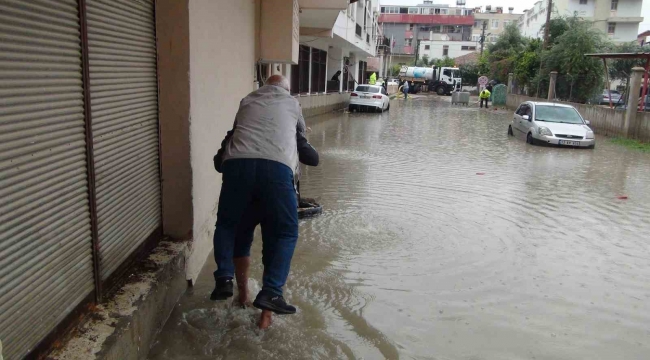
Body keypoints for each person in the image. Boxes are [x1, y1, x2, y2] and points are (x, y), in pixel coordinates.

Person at [211, 75, 319, 329]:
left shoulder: (247, 103)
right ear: (286, 91)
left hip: (238, 174)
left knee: (230, 228)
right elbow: (312, 158)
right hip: (277, 181)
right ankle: (268, 302)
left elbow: (219, 163)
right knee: (282, 236)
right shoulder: (292, 106)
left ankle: (231, 284)